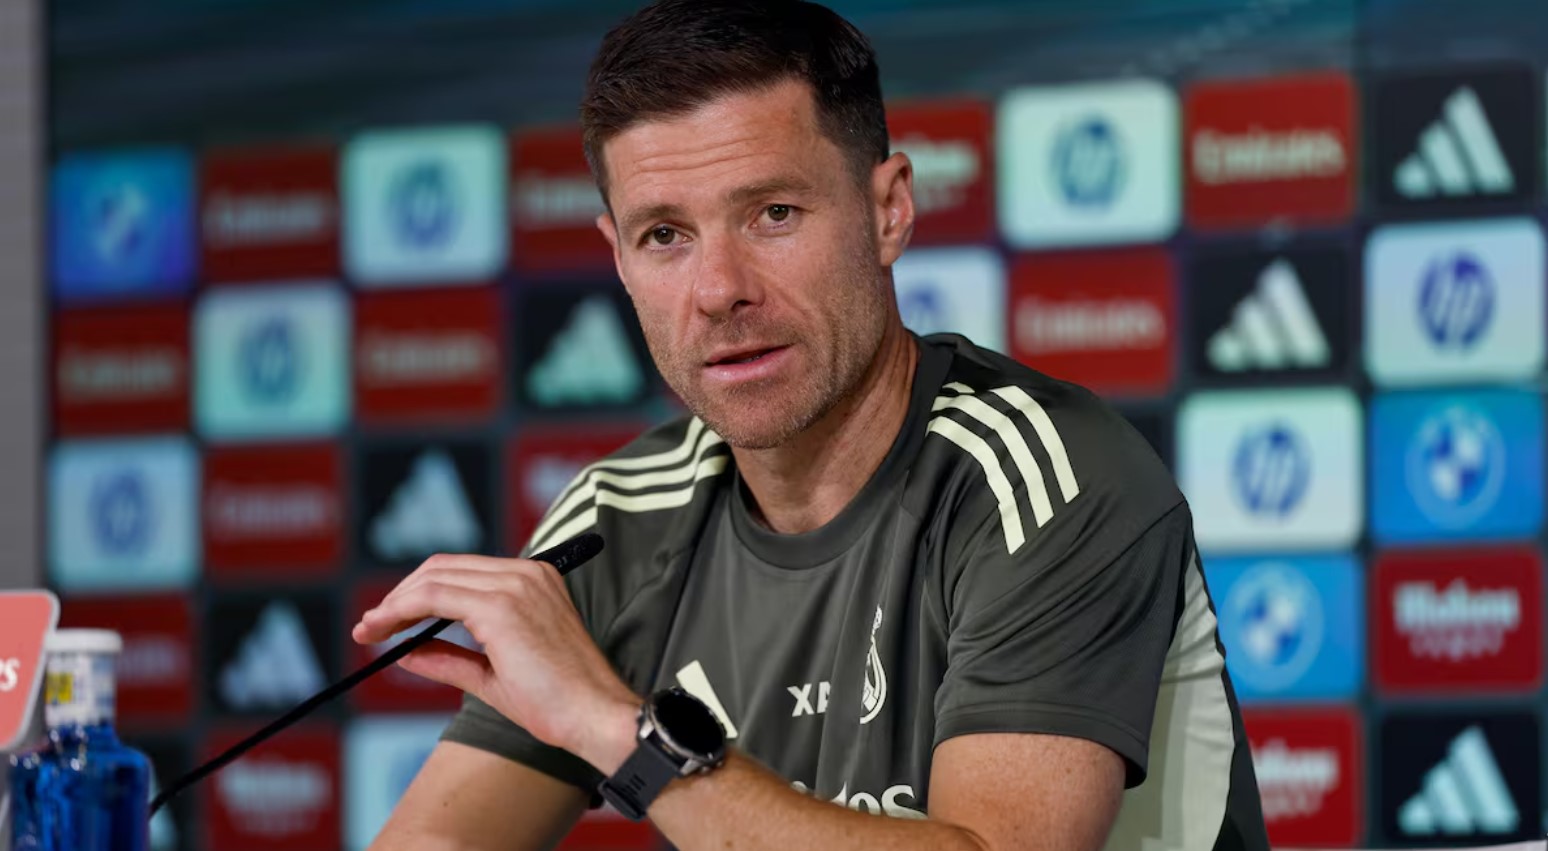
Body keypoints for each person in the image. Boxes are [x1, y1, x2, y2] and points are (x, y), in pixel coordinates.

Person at [353, 1, 1269, 849]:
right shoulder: (615, 520)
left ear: (889, 210)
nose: (719, 290)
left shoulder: (1044, 476)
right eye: (665, 235)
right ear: (619, 259)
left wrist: (615, 727)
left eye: (774, 213)